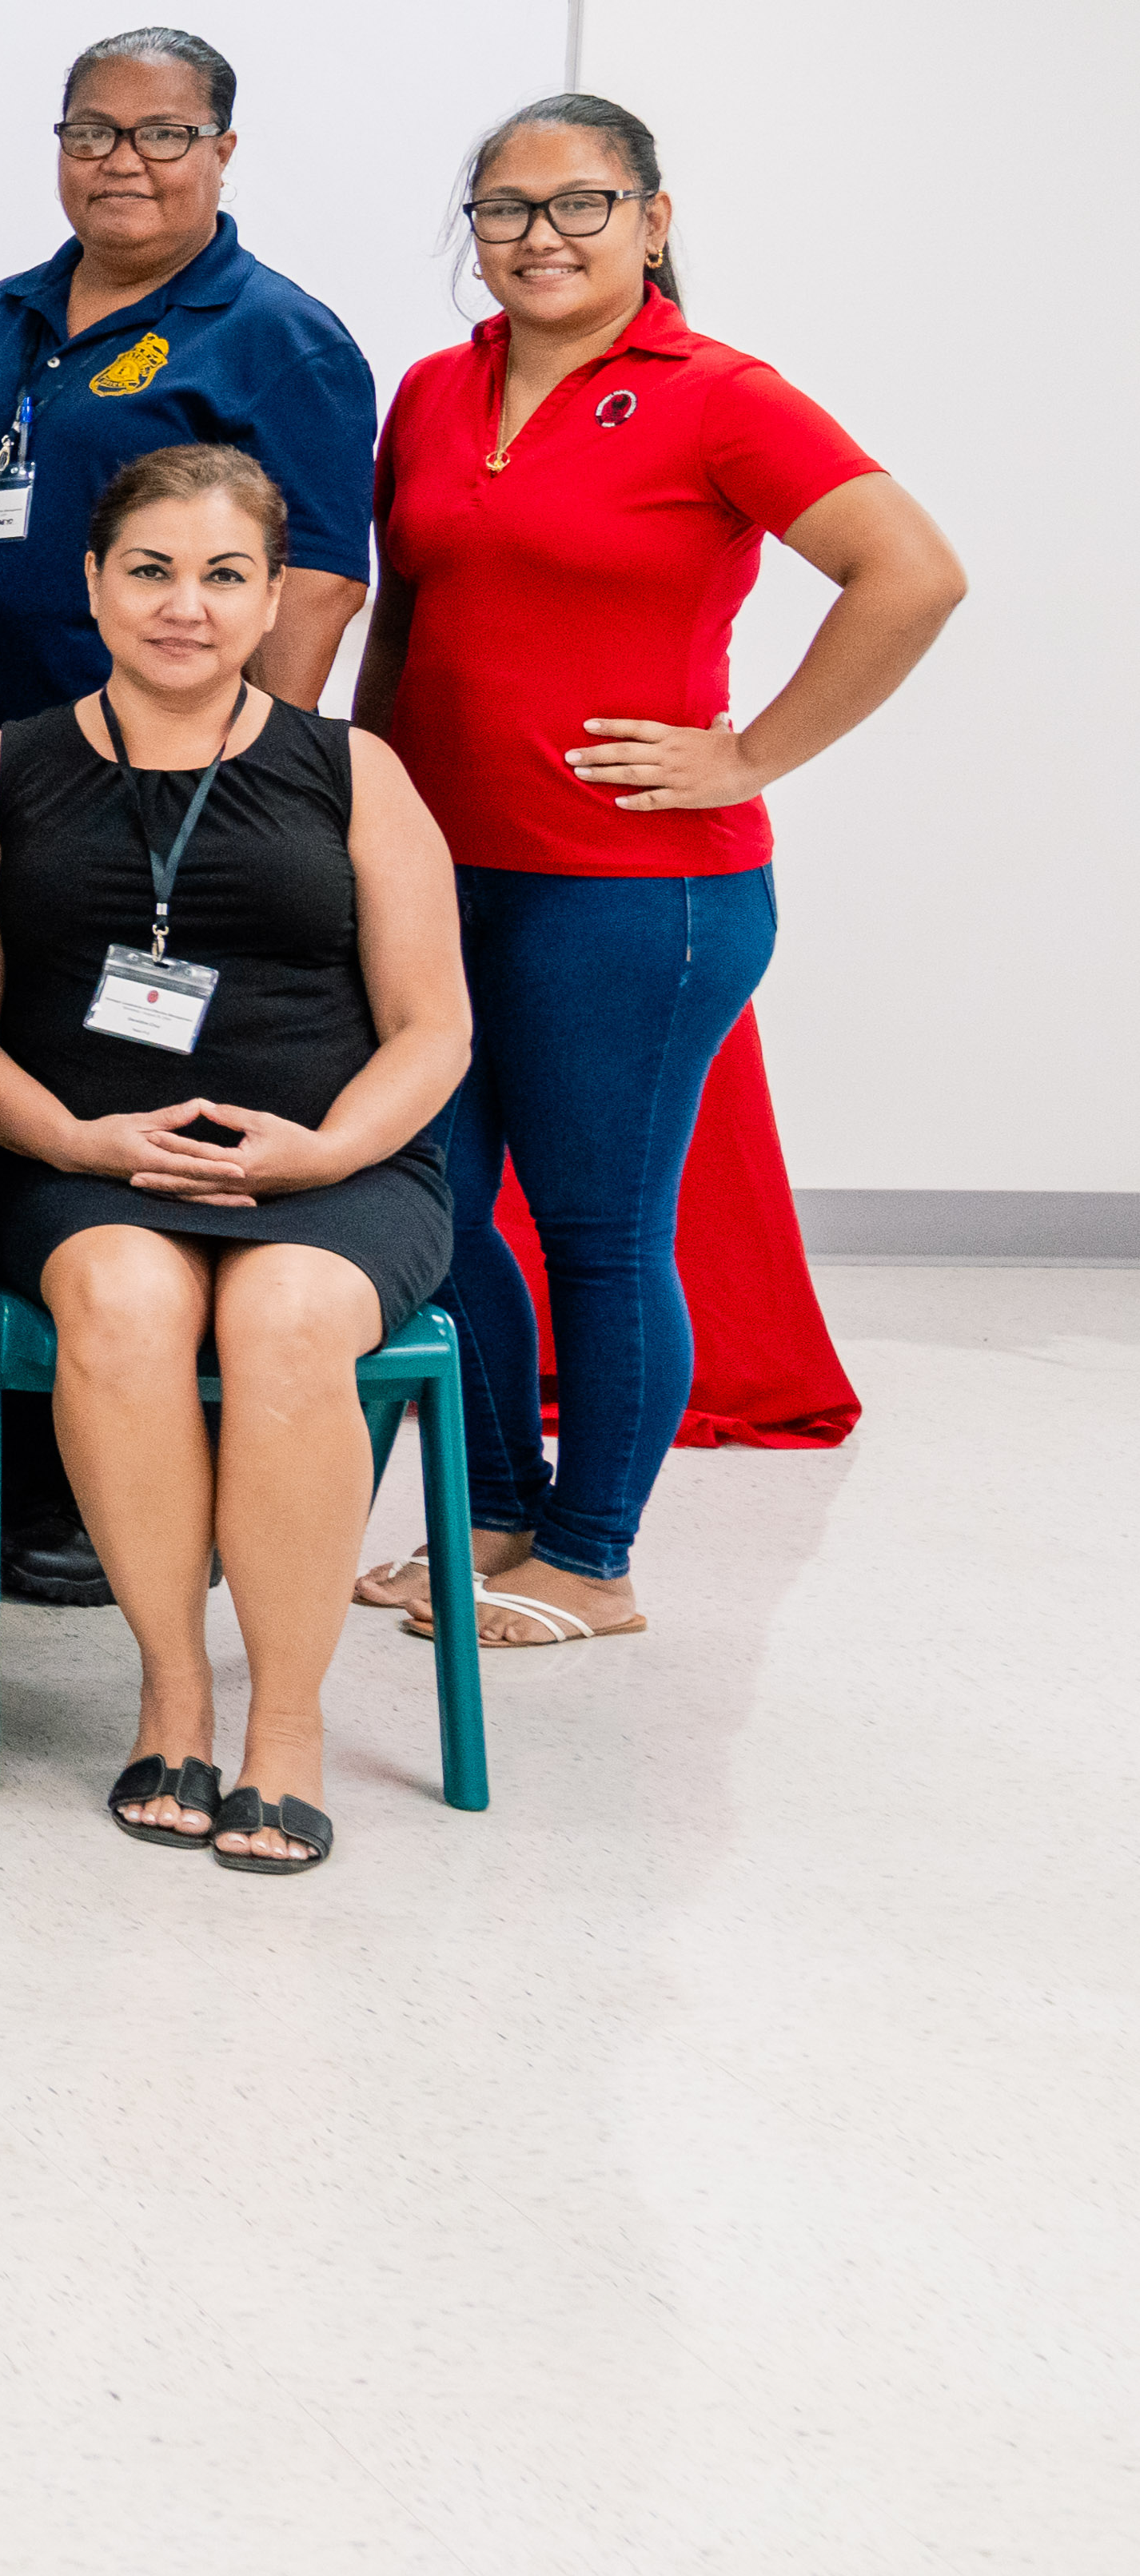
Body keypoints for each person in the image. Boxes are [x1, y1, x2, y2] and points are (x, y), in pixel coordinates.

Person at [358, 95, 959, 1650]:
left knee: (597, 1230)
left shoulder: (718, 398)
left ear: (653, 219)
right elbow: (405, 620)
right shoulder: (432, 390)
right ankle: (491, 1512)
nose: (538, 236)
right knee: (432, 1210)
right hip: (439, 877)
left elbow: (911, 572)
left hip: (631, 898)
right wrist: (360, 800)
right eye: (504, 208)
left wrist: (749, 754)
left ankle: (590, 1557)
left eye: (580, 203)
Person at [0, 25, 383, 1615]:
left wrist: (225, 790)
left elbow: (315, 581)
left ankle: (113, 1491)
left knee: (126, 1103)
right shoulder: (1, 316)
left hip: (149, 818)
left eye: (162, 134)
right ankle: (22, 1450)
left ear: (223, 150)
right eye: (91, 130)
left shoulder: (277, 337)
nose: (122, 161)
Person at [0, 445, 468, 1874]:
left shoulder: (352, 769)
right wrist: (71, 1137)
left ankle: (283, 1722)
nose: (185, 605)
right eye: (150, 570)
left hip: (333, 1163)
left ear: (273, 596)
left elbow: (432, 1029)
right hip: (73, 1161)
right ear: (91, 582)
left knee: (285, 1314)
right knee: (124, 1299)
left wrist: (319, 1154)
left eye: (224, 575)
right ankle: (171, 1691)